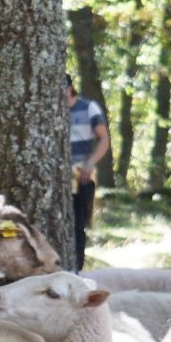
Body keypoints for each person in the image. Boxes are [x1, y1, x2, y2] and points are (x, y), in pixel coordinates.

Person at [67, 73, 108, 270]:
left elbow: (104, 139)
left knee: (78, 223)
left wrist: (90, 163)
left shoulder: (88, 107)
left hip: (81, 175)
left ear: (69, 89)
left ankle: (78, 268)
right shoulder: (52, 110)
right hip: (60, 176)